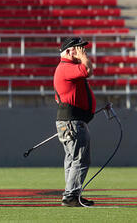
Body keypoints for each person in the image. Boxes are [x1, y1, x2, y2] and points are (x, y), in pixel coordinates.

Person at [54, 37, 96, 207]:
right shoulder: (66, 67)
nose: (82, 52)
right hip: (73, 122)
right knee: (80, 159)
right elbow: (88, 70)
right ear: (69, 51)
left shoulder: (64, 68)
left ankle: (72, 194)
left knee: (72, 159)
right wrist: (84, 58)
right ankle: (71, 195)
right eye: (78, 48)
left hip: (70, 121)